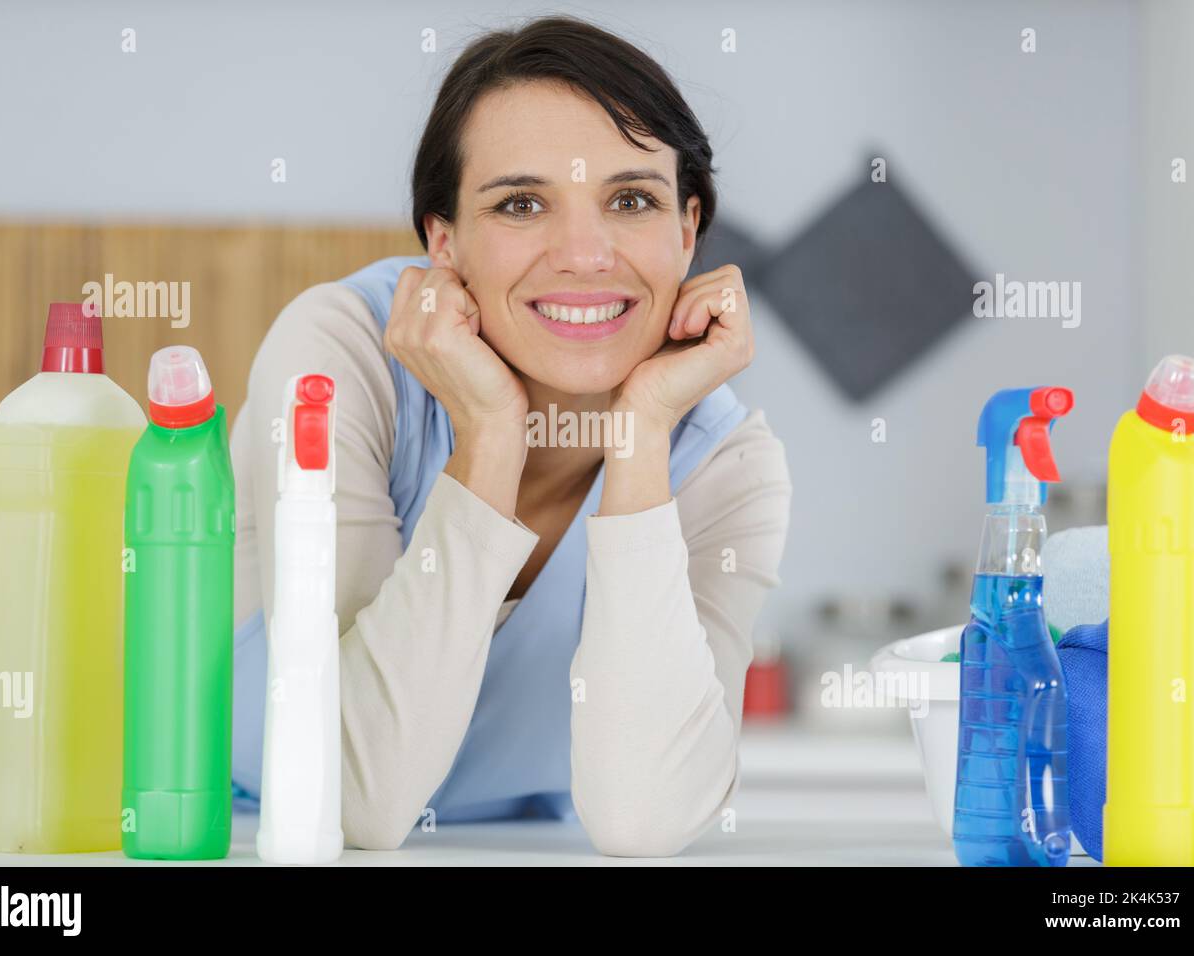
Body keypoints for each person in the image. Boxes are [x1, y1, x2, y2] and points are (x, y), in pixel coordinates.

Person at [230, 15, 792, 857]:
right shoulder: (337, 360)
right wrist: (490, 436)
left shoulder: (727, 466)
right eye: (522, 204)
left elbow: (646, 822)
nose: (584, 254)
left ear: (688, 228)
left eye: (631, 199)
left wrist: (639, 439)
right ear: (443, 242)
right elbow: (351, 800)